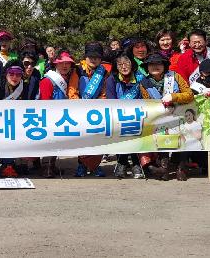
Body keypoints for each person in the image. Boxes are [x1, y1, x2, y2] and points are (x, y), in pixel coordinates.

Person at [139, 53, 194, 180]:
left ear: (164, 65)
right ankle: (164, 168)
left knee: (183, 138)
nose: (155, 67)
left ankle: (181, 168)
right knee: (161, 135)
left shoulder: (175, 76)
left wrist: (173, 97)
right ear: (147, 67)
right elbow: (147, 103)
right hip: (160, 118)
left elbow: (189, 95)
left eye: (158, 64)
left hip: (180, 115)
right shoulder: (144, 83)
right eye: (151, 64)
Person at [69, 42, 109, 178]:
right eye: (91, 57)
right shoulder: (78, 70)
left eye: (97, 57)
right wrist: (78, 105)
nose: (93, 59)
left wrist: (98, 105)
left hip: (97, 111)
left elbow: (104, 92)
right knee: (82, 138)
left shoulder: (104, 72)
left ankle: (95, 166)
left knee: (97, 138)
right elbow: (72, 90)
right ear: (85, 57)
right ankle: (81, 165)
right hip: (80, 110)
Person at [37, 50, 78, 177]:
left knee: (57, 141)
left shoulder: (70, 79)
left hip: (61, 116)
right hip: (49, 115)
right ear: (55, 64)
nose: (65, 66)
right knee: (50, 141)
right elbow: (44, 101)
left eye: (67, 63)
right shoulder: (48, 80)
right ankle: (47, 167)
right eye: (61, 63)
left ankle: (52, 165)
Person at [106, 52, 145, 179]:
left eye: (126, 63)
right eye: (120, 64)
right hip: (119, 115)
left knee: (133, 129)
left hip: (138, 115)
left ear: (132, 64)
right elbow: (111, 100)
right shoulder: (112, 79)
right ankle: (126, 163)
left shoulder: (140, 78)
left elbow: (145, 96)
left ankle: (130, 163)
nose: (124, 67)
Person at [0, 60, 26, 178]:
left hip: (15, 121)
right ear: (6, 74)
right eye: (11, 74)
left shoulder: (24, 87)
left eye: (18, 74)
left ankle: (8, 166)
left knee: (11, 143)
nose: (15, 77)